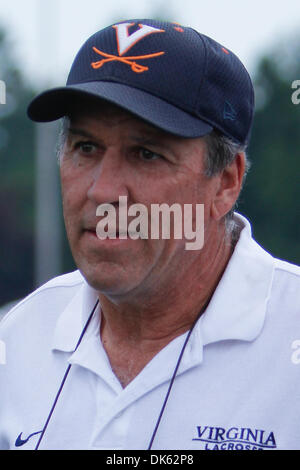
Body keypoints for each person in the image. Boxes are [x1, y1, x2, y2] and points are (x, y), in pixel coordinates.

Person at [0, 18, 299, 451]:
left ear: (226, 183)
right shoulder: (18, 339)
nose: (103, 191)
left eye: (146, 154)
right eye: (86, 148)